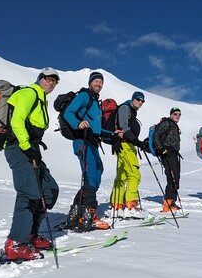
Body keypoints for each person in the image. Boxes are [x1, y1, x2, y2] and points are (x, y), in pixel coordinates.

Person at [3, 68, 60, 261]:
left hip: (31, 150)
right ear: (40, 79)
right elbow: (17, 121)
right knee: (28, 194)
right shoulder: (29, 93)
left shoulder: (41, 99)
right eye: (47, 79)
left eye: (54, 81)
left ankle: (31, 236)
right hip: (18, 148)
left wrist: (32, 148)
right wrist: (27, 147)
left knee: (49, 189)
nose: (50, 83)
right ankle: (16, 244)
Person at [63, 71, 117, 230]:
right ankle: (89, 215)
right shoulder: (84, 96)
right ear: (90, 82)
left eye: (101, 82)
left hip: (92, 142)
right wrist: (77, 124)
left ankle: (76, 212)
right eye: (96, 81)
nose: (99, 84)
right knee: (90, 176)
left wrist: (113, 134)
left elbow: (97, 128)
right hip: (82, 141)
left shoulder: (94, 102)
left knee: (97, 172)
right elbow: (69, 113)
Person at [110, 91, 147, 219]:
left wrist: (137, 142)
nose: (140, 102)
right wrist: (137, 141)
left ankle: (117, 205)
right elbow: (124, 127)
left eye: (142, 101)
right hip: (125, 145)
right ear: (132, 99)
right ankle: (131, 206)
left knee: (123, 176)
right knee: (134, 174)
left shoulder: (131, 111)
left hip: (124, 145)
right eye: (138, 99)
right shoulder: (125, 108)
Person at [153, 107, 182, 213]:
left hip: (174, 153)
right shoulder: (166, 123)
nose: (177, 116)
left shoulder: (174, 125)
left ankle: (172, 201)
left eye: (179, 114)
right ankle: (167, 204)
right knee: (172, 177)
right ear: (171, 114)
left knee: (176, 177)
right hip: (167, 153)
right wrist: (161, 149)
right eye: (175, 114)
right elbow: (156, 135)